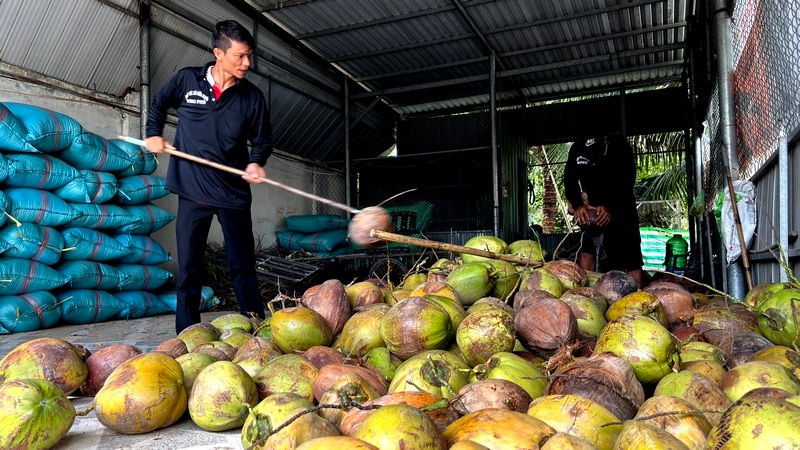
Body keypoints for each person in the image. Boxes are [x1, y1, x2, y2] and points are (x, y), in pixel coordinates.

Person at [145, 20, 273, 334]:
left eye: (249, 56)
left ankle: (256, 328)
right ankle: (188, 334)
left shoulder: (252, 97)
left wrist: (256, 162)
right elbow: (158, 105)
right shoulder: (187, 81)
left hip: (232, 193)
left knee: (242, 265)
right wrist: (152, 134)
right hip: (192, 189)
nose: (247, 63)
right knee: (189, 267)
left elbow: (262, 140)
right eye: (240, 56)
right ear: (218, 53)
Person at [563, 134, 644, 288]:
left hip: (621, 209)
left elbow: (627, 182)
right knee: (587, 252)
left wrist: (610, 208)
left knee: (631, 258)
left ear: (605, 139)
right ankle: (583, 295)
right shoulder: (577, 148)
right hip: (592, 210)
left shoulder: (621, 147)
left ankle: (639, 299)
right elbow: (569, 179)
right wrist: (578, 204)